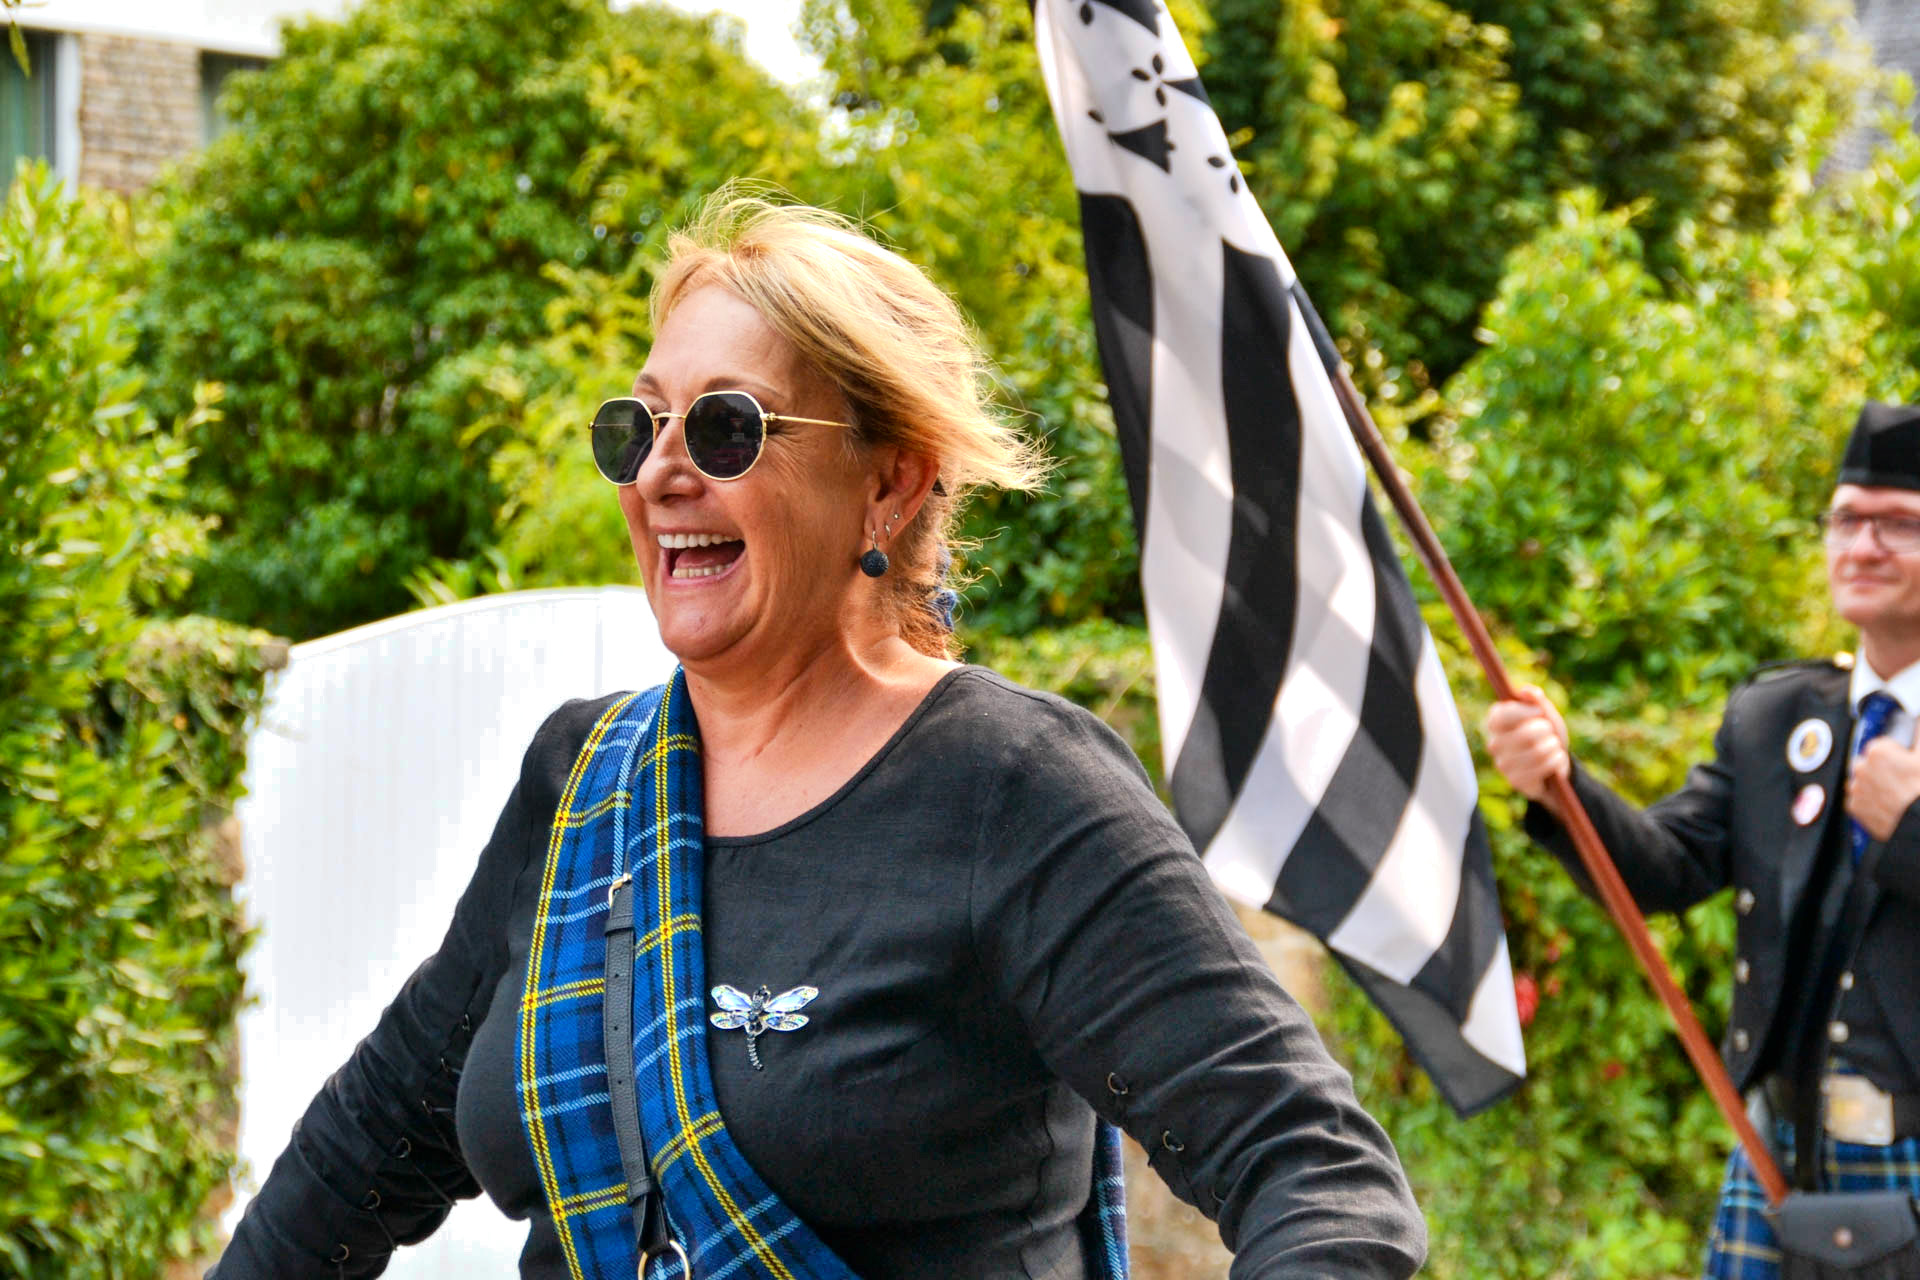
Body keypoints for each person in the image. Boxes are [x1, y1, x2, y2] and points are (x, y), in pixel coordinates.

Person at [209, 191, 1426, 1279]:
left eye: (727, 428)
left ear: (890, 482)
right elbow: (368, 1146)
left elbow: (1318, 1172)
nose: (661, 472)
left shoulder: (1014, 790)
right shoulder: (579, 787)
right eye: (637, 426)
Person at [1483, 401, 1920, 1279]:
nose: (1862, 545)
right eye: (1845, 519)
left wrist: (1912, 830)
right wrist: (1559, 783)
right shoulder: (1777, 717)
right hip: (1778, 1154)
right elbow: (1666, 867)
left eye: (1899, 524)